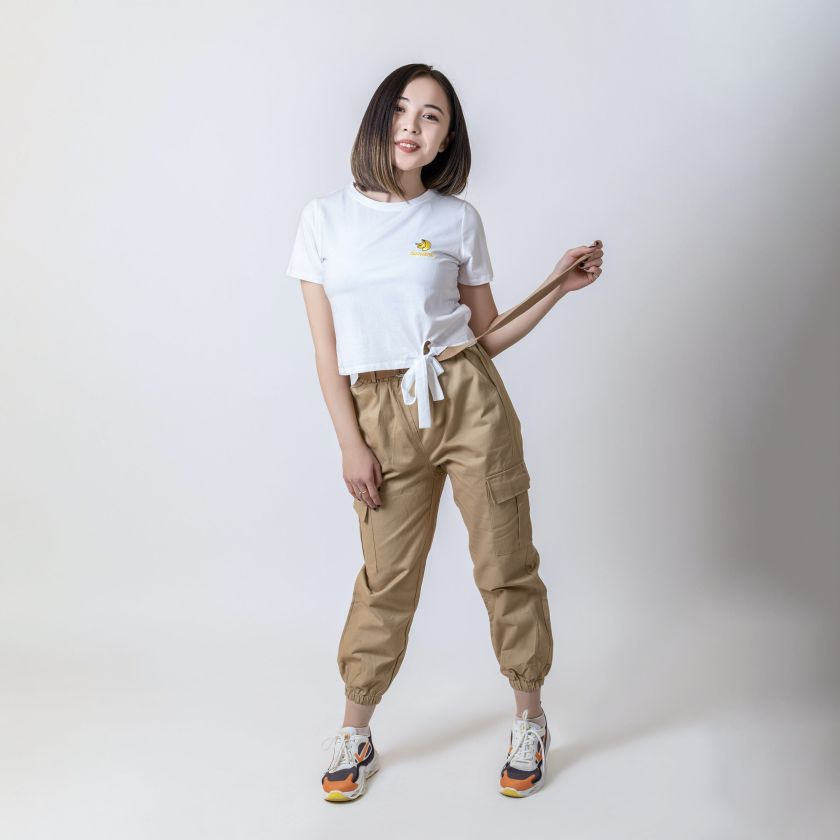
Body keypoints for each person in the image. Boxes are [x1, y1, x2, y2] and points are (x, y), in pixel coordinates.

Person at [286, 63, 605, 802]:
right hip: (378, 413)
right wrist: (351, 443)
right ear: (379, 118)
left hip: (467, 400)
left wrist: (556, 287)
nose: (412, 125)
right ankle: (356, 732)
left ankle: (530, 719)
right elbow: (326, 352)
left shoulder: (457, 220)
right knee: (386, 580)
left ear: (445, 139)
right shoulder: (323, 220)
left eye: (431, 116)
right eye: (402, 109)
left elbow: (485, 337)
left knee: (505, 562)